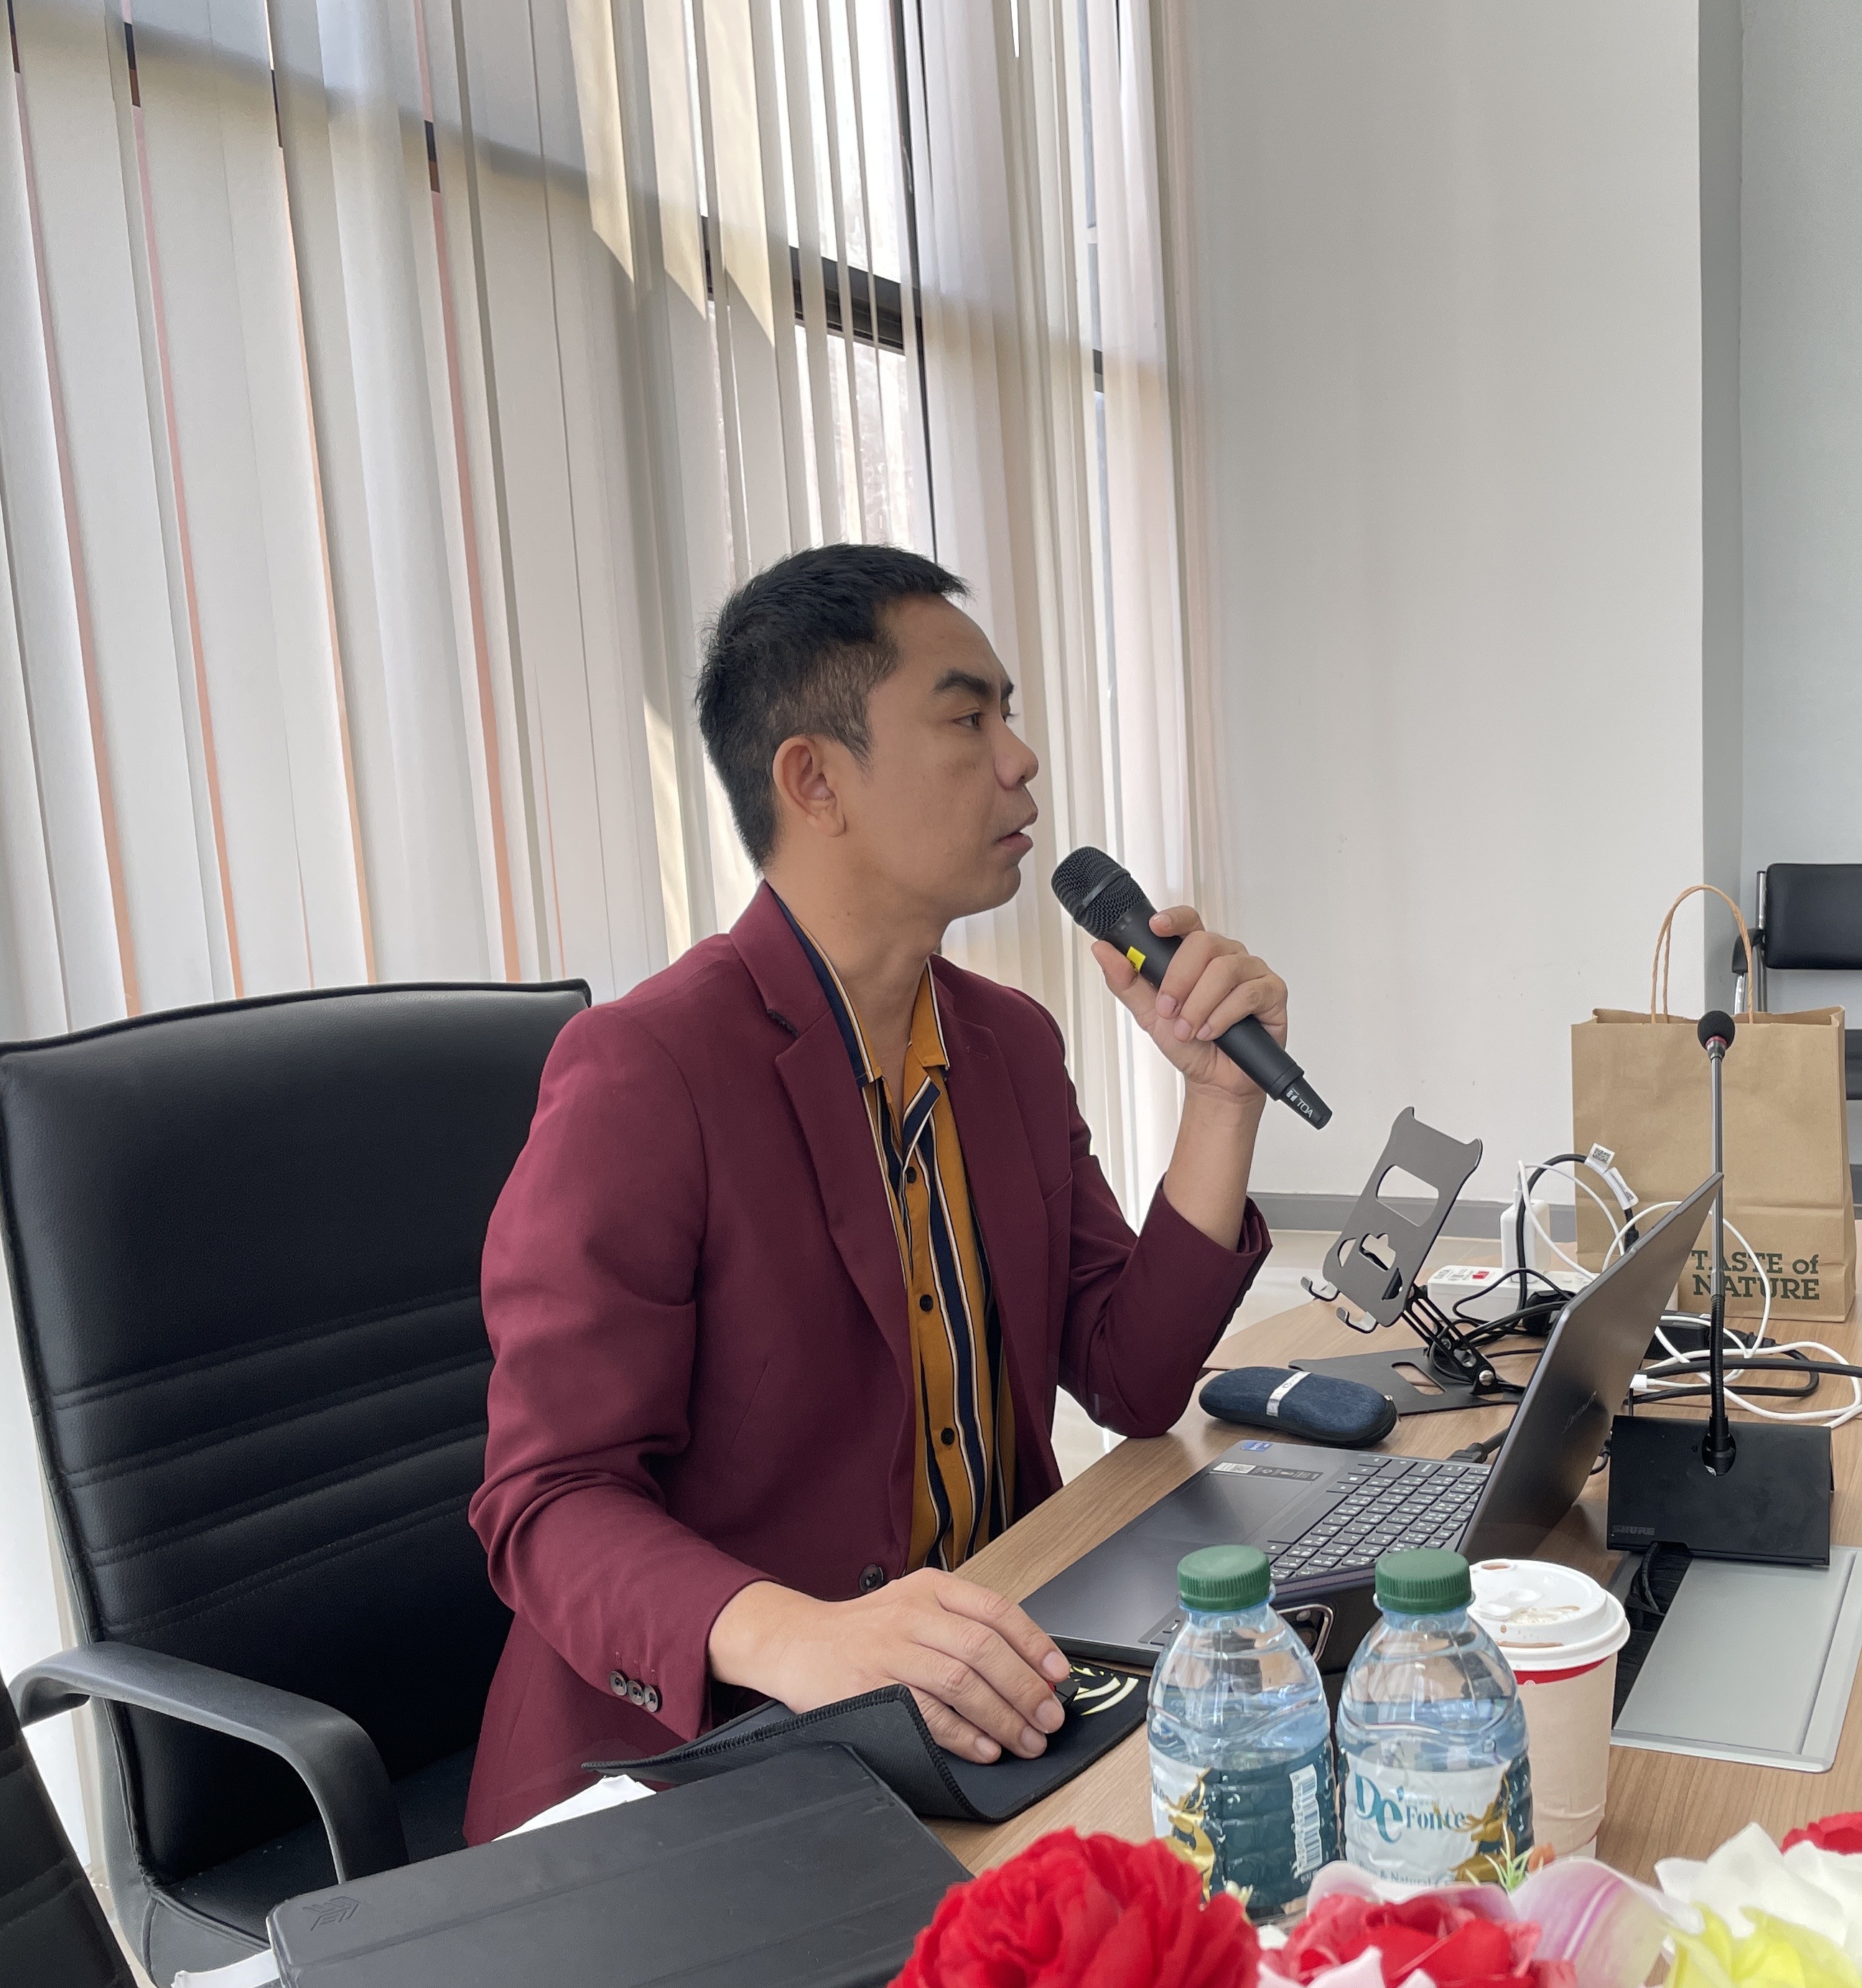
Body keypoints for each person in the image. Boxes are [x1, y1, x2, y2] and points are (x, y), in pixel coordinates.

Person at [462, 544, 1283, 1839]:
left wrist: (1221, 1102)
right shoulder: (646, 1069)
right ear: (814, 780)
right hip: (709, 1759)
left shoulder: (1007, 1041)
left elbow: (1131, 1378)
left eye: (1010, 715)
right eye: (968, 718)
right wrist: (808, 1638)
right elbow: (547, 1502)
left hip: (979, 1695)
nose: (1020, 760)